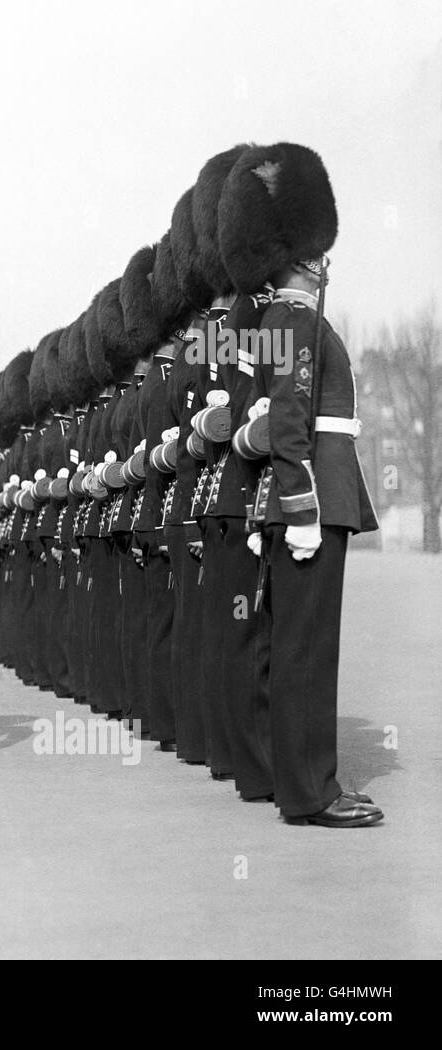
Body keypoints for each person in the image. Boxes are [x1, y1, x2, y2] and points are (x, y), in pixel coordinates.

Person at [218, 142, 382, 827]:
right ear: (310, 252)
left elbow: (266, 420)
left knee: (292, 648)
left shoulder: (272, 322)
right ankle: (312, 792)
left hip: (293, 499)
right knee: (309, 653)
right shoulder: (302, 321)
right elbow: (290, 424)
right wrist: (304, 509)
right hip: (316, 496)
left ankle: (298, 782)